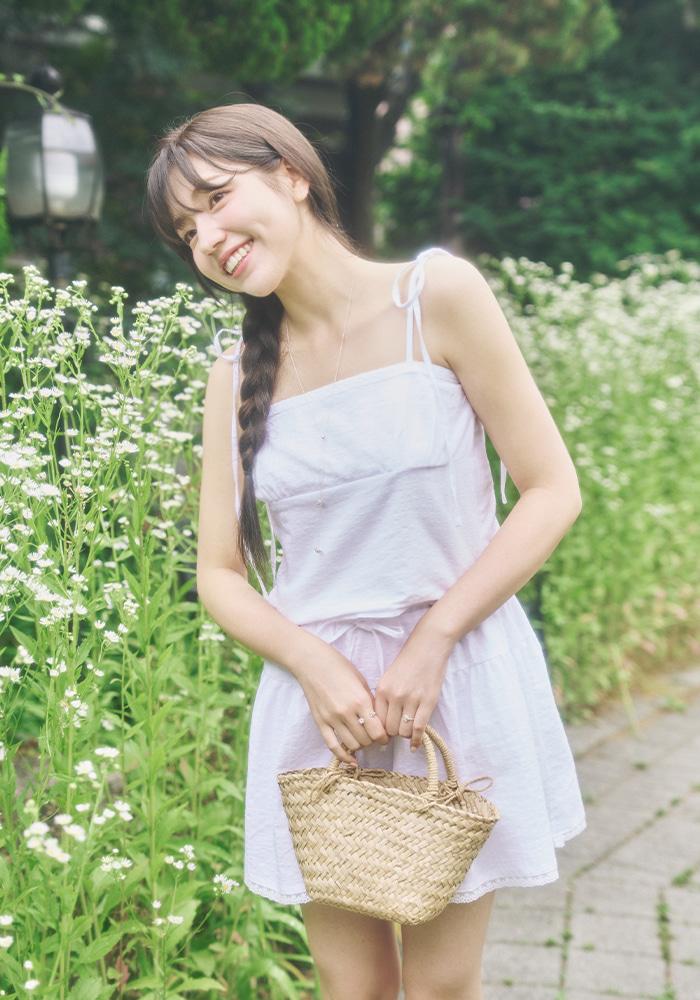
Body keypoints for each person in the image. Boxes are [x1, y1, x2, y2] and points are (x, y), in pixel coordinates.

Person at [146, 102, 587, 1000]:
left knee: (439, 987)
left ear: (293, 174)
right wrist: (311, 664)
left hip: (454, 683)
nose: (210, 238)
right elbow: (220, 577)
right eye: (189, 230)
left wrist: (432, 641)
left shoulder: (435, 298)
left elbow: (550, 491)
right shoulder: (232, 379)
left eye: (220, 200)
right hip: (322, 717)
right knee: (353, 989)